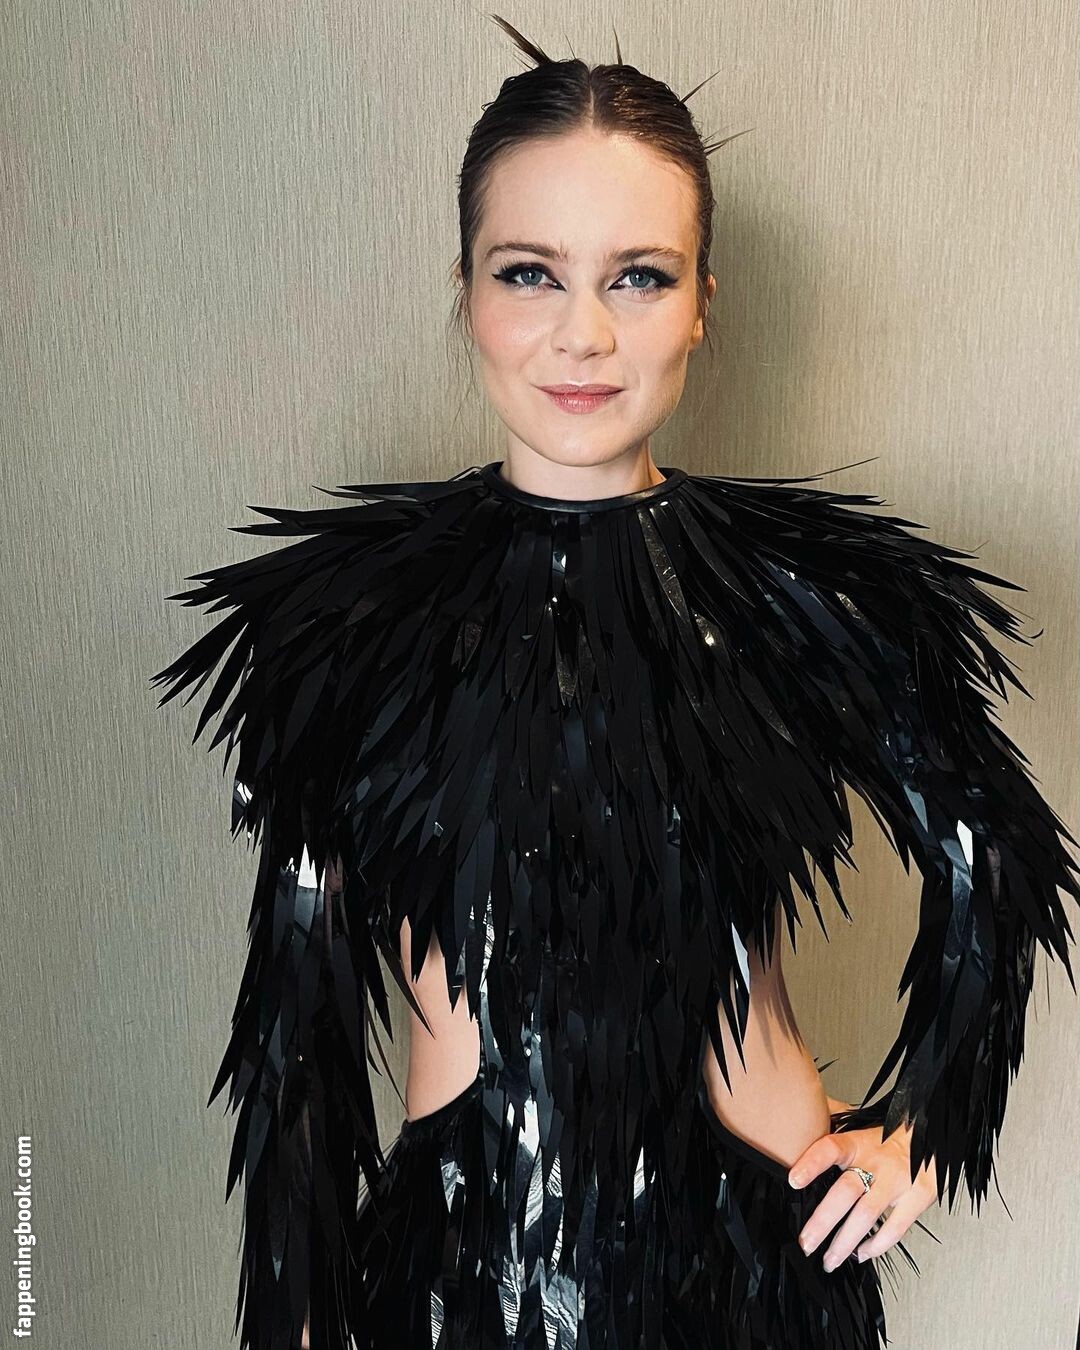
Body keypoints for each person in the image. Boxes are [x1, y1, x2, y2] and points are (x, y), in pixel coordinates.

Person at [150, 17, 1080, 1350]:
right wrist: (295, 1321)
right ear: (467, 291)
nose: (581, 334)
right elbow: (297, 1029)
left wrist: (930, 1128)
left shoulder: (810, 596)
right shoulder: (341, 623)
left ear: (702, 300)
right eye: (530, 273)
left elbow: (996, 856)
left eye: (638, 276)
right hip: (464, 1274)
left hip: (751, 1267)